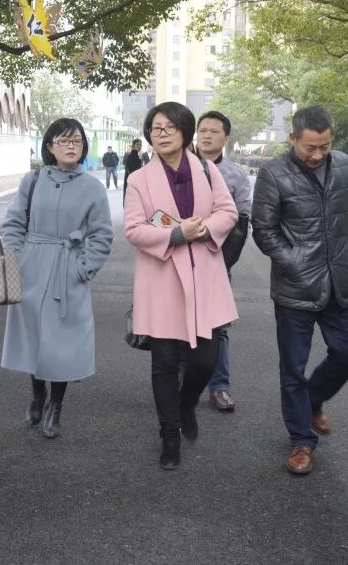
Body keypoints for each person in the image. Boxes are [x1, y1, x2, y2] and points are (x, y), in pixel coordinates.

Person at [251, 105, 348, 476]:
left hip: (340, 283)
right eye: (309, 148)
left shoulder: (344, 165)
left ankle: (313, 400)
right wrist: (296, 262)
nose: (317, 155)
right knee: (293, 369)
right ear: (294, 138)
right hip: (295, 289)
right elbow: (263, 230)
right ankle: (302, 441)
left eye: (325, 147)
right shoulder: (273, 172)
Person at [124, 102, 239, 470]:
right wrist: (175, 233)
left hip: (203, 275)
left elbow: (228, 211)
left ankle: (187, 403)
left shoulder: (206, 170)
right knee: (165, 362)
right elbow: (134, 229)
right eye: (155, 128)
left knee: (205, 360)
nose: (161, 133)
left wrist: (203, 229)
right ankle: (169, 435)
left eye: (169, 127)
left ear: (184, 132)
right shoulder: (139, 179)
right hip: (161, 280)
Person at [1, 118, 113, 439]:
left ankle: (56, 405)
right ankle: (37, 394)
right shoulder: (33, 180)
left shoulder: (93, 187)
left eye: (76, 140)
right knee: (35, 337)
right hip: (32, 266)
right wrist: (16, 259)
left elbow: (102, 235)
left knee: (63, 343)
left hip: (68, 270)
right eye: (63, 140)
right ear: (49, 146)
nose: (70, 145)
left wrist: (82, 268)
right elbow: (13, 223)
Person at [195, 111, 252, 412]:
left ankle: (219, 386)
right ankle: (184, 381)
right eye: (202, 130)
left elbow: (241, 222)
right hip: (179, 258)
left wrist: (223, 262)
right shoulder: (177, 166)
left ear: (226, 138)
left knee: (219, 325)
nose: (206, 136)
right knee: (179, 322)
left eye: (214, 131)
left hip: (217, 260)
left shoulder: (236, 175)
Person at [122, 138, 143, 204]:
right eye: (137, 145)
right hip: (132, 183)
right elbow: (132, 171)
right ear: (133, 146)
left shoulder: (136, 155)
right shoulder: (132, 156)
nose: (139, 146)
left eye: (140, 145)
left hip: (132, 182)